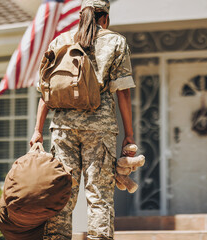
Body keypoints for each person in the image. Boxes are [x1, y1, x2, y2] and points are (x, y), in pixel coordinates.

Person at [29, 0, 136, 239]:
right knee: (99, 196)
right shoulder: (116, 41)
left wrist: (37, 130)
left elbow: (46, 92)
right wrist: (129, 135)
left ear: (80, 16)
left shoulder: (60, 41)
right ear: (105, 17)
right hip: (100, 129)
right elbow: (124, 92)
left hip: (63, 129)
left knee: (62, 195)